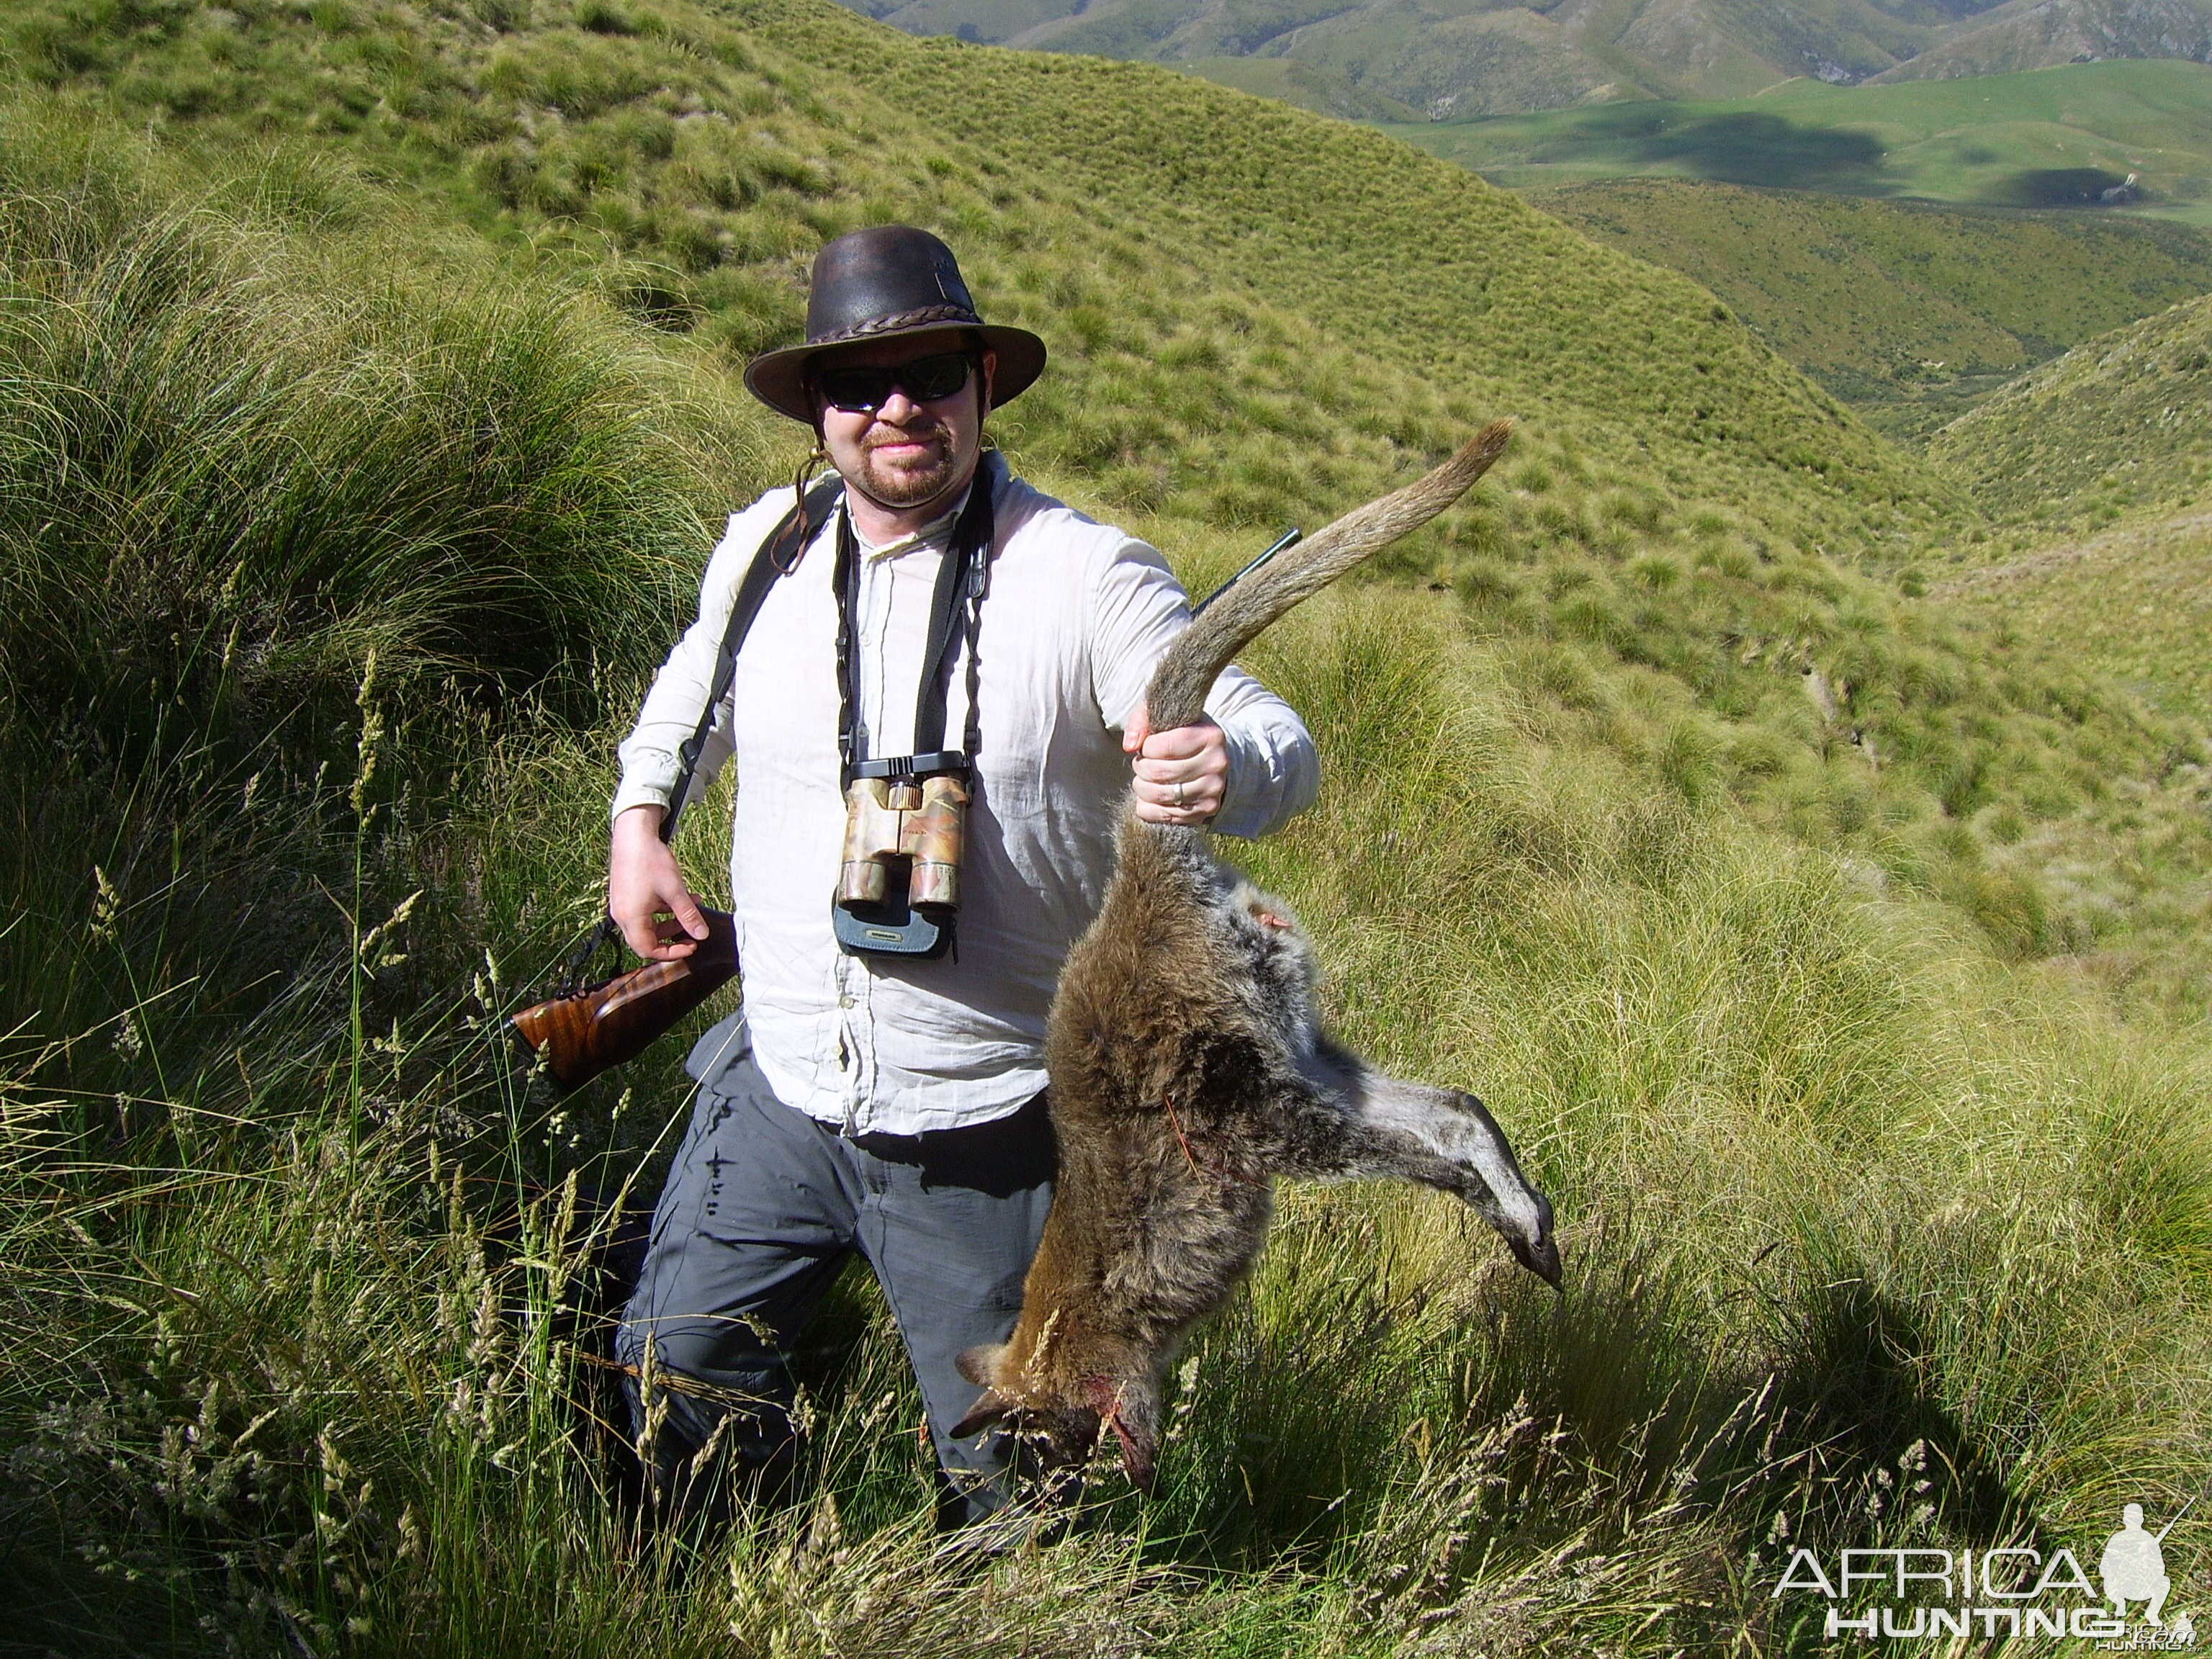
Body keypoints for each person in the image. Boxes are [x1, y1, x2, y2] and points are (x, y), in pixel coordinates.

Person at [605, 225, 1318, 1532]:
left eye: (931, 371)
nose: (896, 409)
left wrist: (1230, 765)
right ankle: (736, 1582)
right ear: (815, 410)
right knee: (677, 1367)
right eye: (855, 384)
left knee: (1020, 1472)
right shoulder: (766, 546)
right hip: (781, 1085)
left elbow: (1270, 730)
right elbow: (689, 694)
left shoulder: (1082, 574)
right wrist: (641, 817)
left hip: (987, 1125)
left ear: (984, 382)